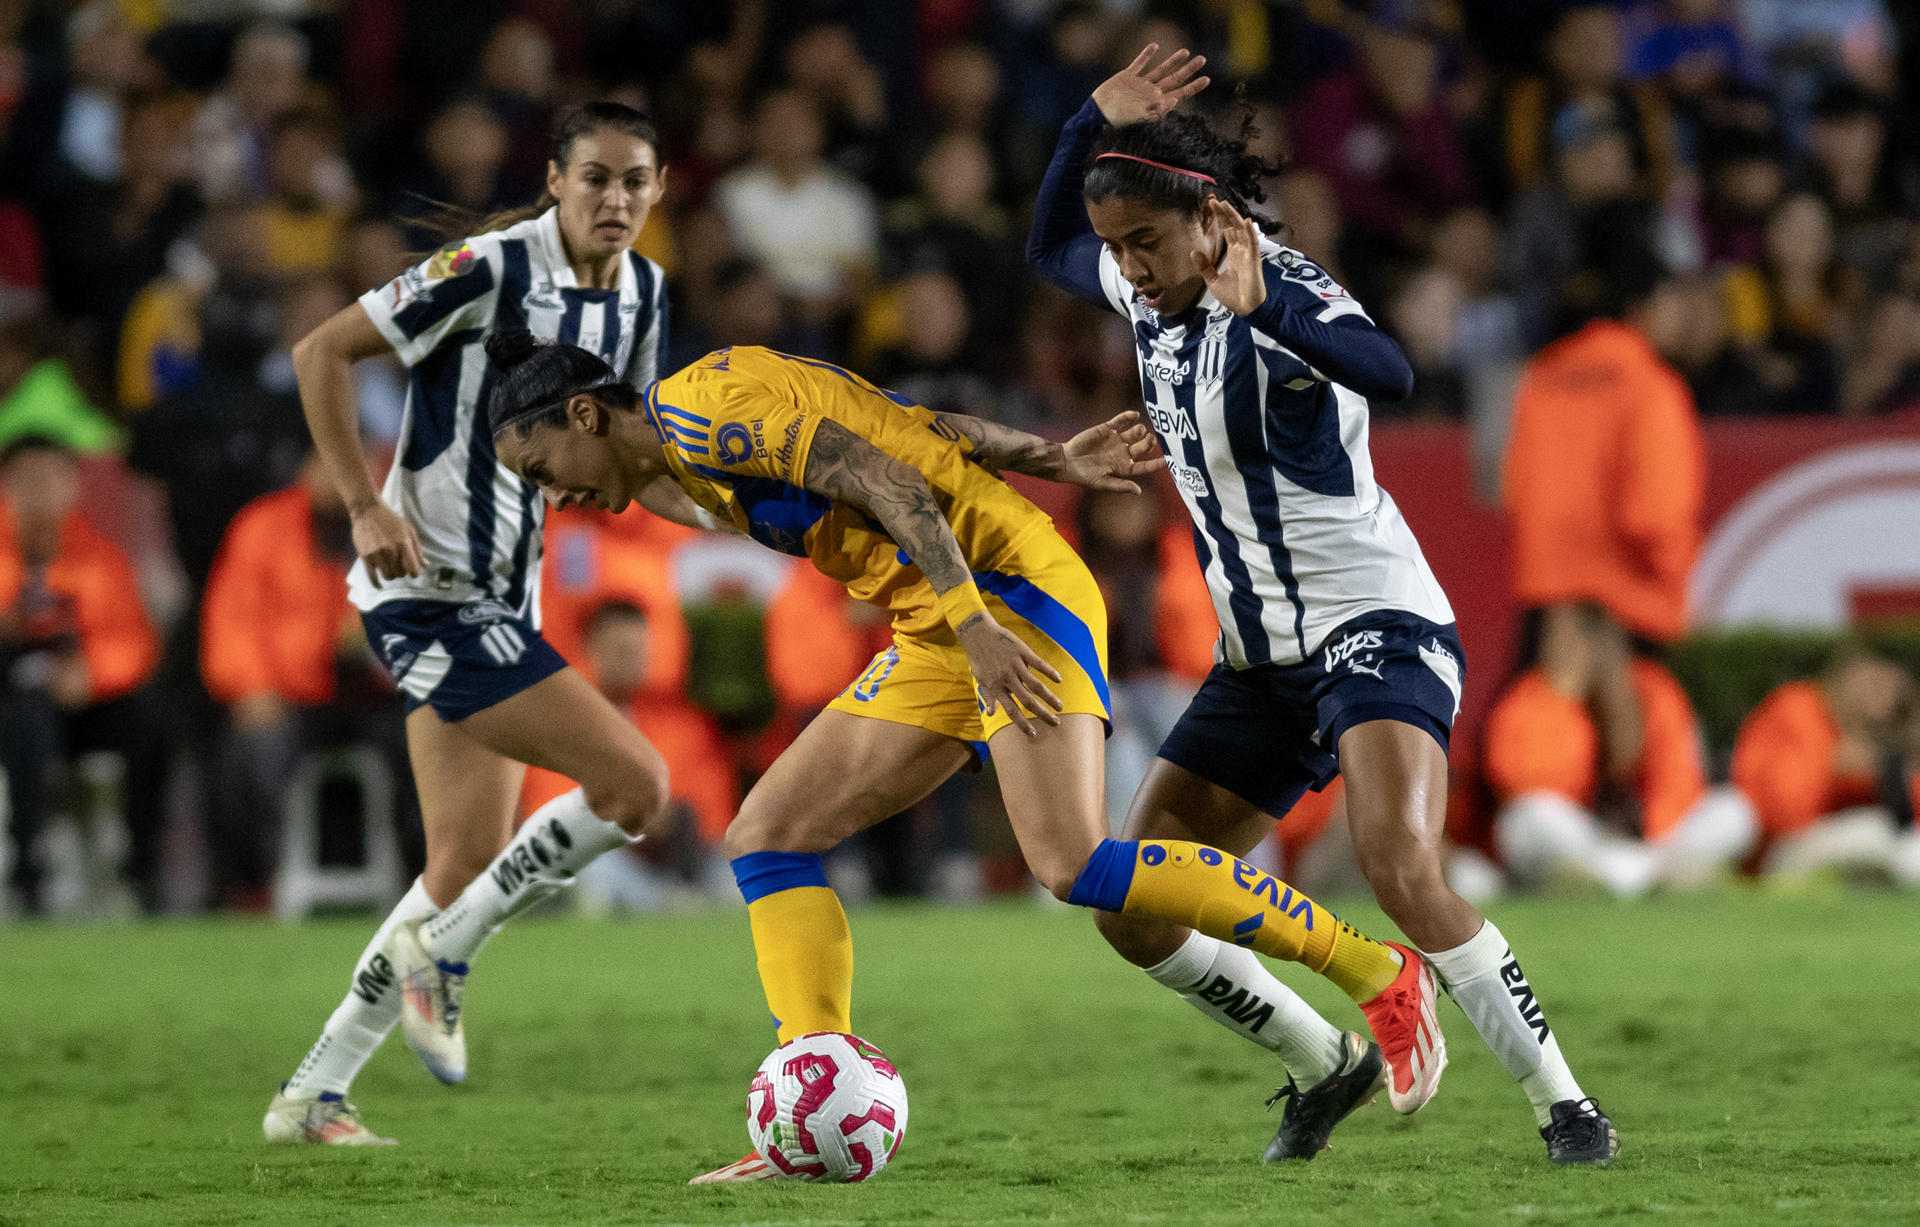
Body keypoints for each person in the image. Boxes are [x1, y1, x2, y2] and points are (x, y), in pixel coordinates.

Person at [431, 332, 1442, 1184]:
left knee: (1075, 866)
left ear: (585, 416)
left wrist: (979, 622)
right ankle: (809, 1101)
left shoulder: (706, 416)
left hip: (1006, 596)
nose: (552, 497)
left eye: (541, 471)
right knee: (769, 834)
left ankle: (1380, 972)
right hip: (940, 626)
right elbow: (912, 426)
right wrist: (1049, 459)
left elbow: (889, 476)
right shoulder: (669, 474)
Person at [1025, 46, 1617, 1165]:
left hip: (1373, 627)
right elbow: (1048, 246)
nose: (1130, 269)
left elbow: (1389, 372)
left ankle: (1567, 1106)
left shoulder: (1281, 283)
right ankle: (1321, 1059)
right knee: (1132, 907)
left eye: (1146, 244)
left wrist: (1272, 314)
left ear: (1209, 219)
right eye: (1121, 250)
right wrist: (1083, 121)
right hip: (1258, 662)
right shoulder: (1145, 287)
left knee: (1396, 860)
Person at [263, 101, 679, 1147]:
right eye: (596, 178)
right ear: (555, 179)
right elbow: (321, 351)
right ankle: (442, 957)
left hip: (509, 596)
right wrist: (364, 504)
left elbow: (632, 459)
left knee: (459, 863)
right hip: (426, 589)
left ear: (660, 190)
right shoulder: (489, 270)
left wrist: (766, 515)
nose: (616, 199)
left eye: (636, 181)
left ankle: (314, 1094)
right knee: (636, 785)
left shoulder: (644, 296)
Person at [0, 435, 167, 914]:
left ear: (73, 486)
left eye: (50, 478)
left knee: (150, 719)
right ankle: (27, 872)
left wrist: (90, 675)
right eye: (26, 480)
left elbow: (134, 643)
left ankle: (140, 871)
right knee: (25, 719)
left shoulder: (99, 556)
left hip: (84, 704)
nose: (39, 493)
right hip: (14, 704)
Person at [1732, 649, 1920, 886]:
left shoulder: (1889, 734)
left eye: (1893, 690)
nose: (1883, 699)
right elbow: (1776, 815)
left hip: (1848, 849)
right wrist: (1833, 770)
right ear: (1848, 677)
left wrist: (1890, 779)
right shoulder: (1798, 710)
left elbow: (1909, 818)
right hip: (1777, 854)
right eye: (1874, 683)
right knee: (1875, 833)